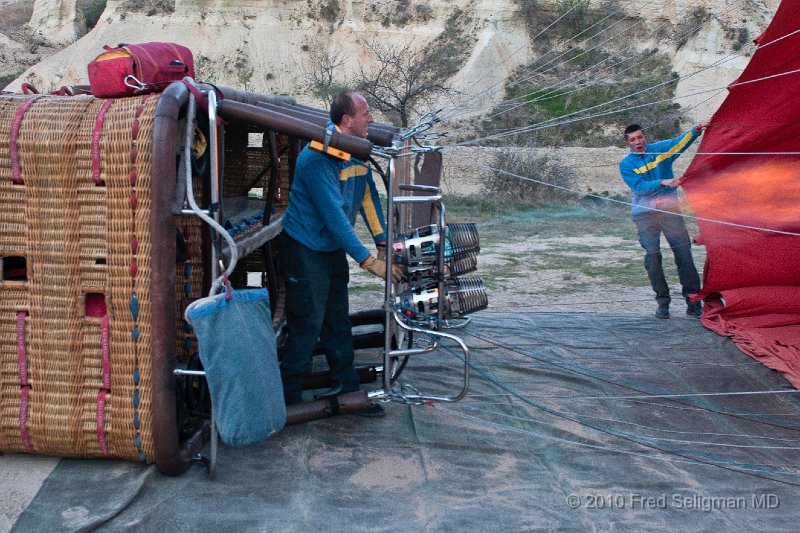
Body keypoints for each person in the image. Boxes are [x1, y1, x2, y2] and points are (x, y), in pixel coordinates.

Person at [278, 91, 400, 416]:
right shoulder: (316, 158)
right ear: (347, 120)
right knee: (307, 322)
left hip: (329, 248)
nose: (371, 119)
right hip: (304, 248)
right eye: (366, 114)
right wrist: (367, 260)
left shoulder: (356, 152)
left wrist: (383, 241)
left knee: (337, 318)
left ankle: (347, 388)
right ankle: (287, 400)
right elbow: (334, 216)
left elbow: (367, 195)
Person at [619, 121, 709, 319]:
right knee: (653, 256)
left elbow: (679, 143)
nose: (638, 142)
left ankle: (693, 303)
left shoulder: (660, 150)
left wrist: (696, 130)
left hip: (670, 212)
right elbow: (639, 187)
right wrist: (662, 181)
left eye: (640, 137)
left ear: (645, 138)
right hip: (645, 216)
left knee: (684, 254)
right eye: (633, 140)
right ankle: (663, 302)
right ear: (628, 144)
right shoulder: (626, 164)